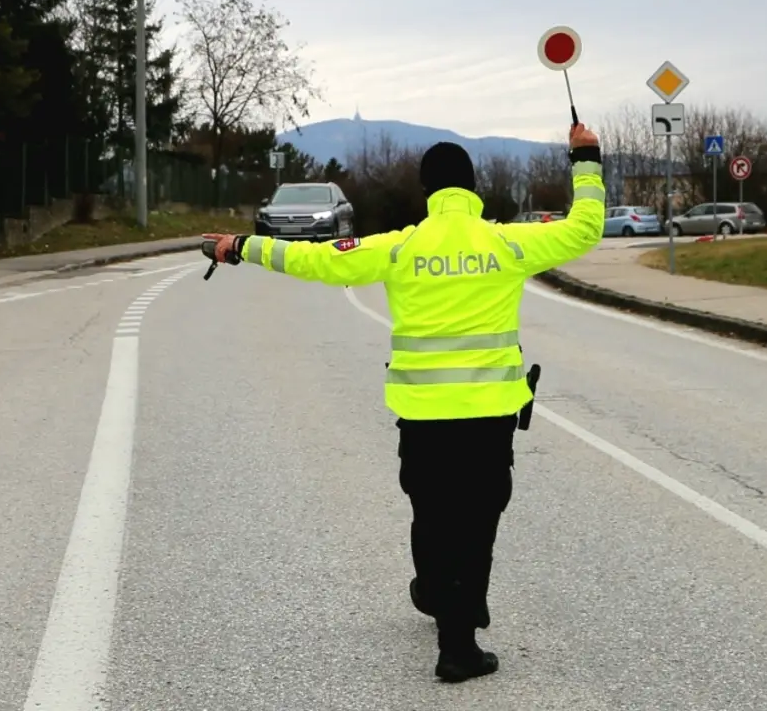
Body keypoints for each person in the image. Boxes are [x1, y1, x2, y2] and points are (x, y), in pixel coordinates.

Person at [202, 122, 605, 682]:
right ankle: (459, 636)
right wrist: (585, 158)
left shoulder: (401, 246)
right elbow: (586, 227)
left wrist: (242, 246)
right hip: (490, 416)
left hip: (423, 416)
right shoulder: (507, 242)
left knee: (434, 515)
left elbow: (317, 261)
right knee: (479, 520)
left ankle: (444, 604)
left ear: (427, 191)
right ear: (473, 188)